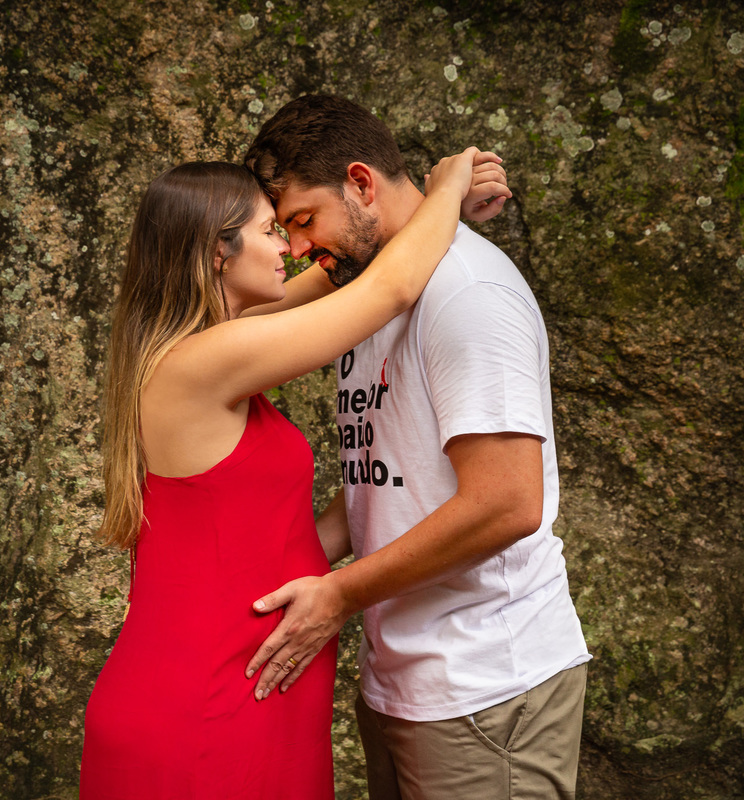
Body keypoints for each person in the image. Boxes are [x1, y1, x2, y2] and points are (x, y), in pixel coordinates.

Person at [79, 147, 508, 799]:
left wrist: (426, 219)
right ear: (217, 250)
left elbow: (347, 270)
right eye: (269, 229)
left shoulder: (216, 345)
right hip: (206, 703)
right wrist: (442, 191)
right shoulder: (206, 360)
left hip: (249, 687)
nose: (291, 246)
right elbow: (387, 289)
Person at [240, 94, 591, 800]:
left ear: (362, 183)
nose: (298, 249)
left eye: (305, 220)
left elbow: (507, 504)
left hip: (487, 687)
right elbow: (386, 470)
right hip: (403, 680)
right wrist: (287, 567)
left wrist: (335, 595)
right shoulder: (373, 285)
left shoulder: (467, 294)